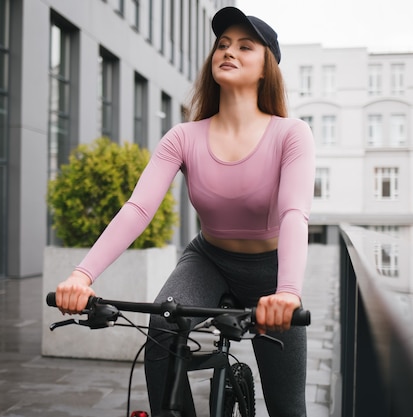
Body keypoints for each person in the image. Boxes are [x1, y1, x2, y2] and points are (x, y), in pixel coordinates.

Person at [54, 6, 315, 417]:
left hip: (271, 269)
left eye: (245, 46)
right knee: (162, 325)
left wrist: (287, 292)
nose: (228, 51)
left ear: (267, 68)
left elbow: (295, 213)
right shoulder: (183, 136)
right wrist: (81, 276)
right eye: (223, 45)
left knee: (287, 407)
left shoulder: (291, 134)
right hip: (208, 260)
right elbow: (138, 208)